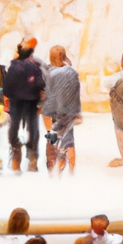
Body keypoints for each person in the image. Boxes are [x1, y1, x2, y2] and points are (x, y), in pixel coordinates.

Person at [2, 37, 45, 172]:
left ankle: (16, 152)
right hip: (31, 103)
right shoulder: (34, 66)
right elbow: (40, 84)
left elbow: (6, 88)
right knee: (33, 129)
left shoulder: (13, 67)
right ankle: (32, 158)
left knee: (14, 127)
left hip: (16, 103)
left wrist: (12, 97)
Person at [41, 45, 81, 175]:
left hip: (53, 111)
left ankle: (56, 167)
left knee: (54, 138)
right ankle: (70, 170)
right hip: (67, 111)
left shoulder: (47, 72)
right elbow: (76, 92)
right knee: (68, 140)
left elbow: (44, 93)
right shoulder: (71, 72)